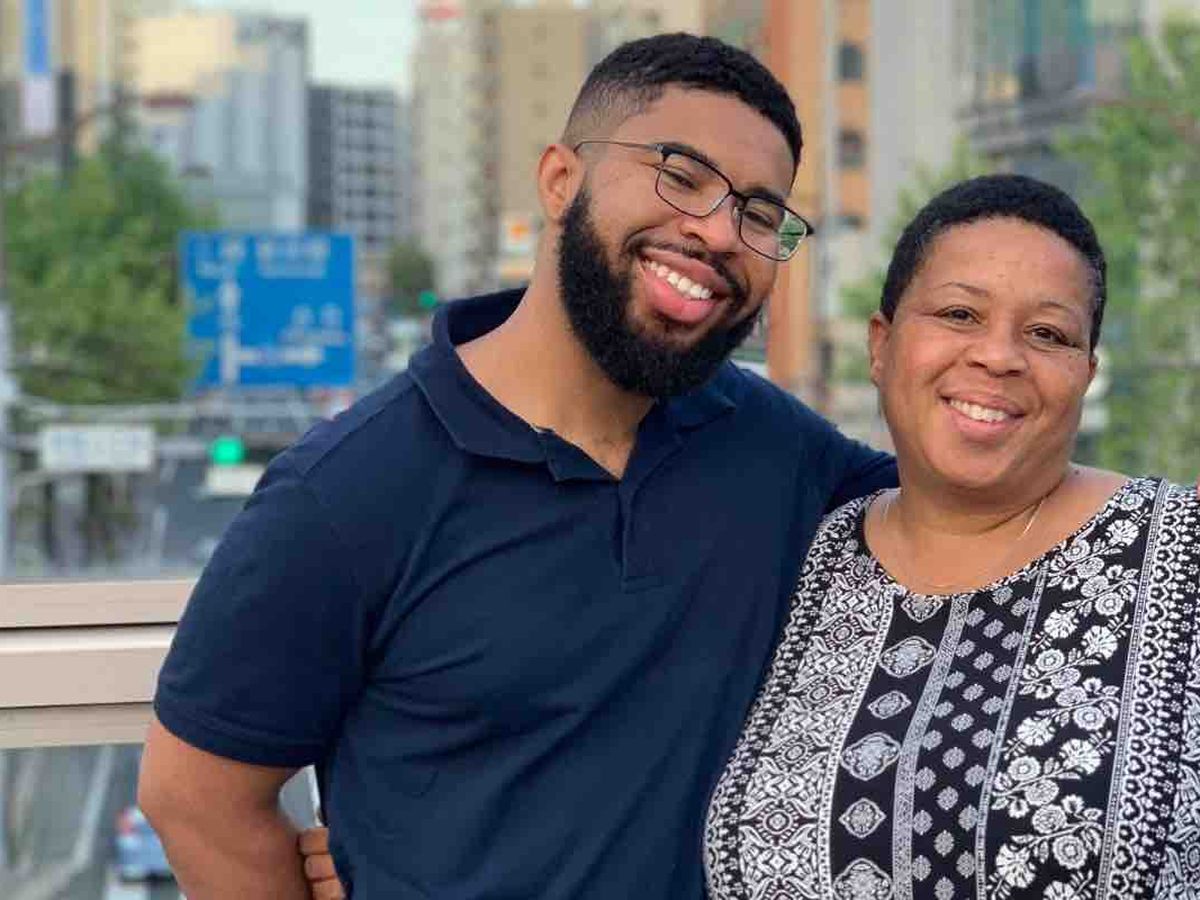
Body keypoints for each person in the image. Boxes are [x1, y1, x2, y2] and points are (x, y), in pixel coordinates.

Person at [137, 33, 898, 899]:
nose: (719, 232)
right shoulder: (349, 491)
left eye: (759, 214)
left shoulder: (778, 451)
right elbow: (195, 799)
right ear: (560, 180)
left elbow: (970, 520)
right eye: (680, 175)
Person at [703, 174, 1200, 898]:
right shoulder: (804, 562)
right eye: (960, 313)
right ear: (881, 346)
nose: (998, 355)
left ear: (1086, 373)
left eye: (1048, 334)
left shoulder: (1180, 556)